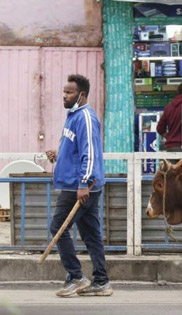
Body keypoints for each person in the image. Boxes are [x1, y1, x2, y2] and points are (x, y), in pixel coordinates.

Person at [45, 74, 112, 297]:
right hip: (82, 185)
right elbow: (74, 148)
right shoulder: (72, 115)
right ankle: (101, 282)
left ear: (81, 95)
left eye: (69, 92)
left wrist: (83, 183)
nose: (64, 96)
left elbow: (90, 153)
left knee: (58, 227)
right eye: (64, 92)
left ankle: (76, 277)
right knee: (91, 235)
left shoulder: (85, 117)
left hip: (79, 188)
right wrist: (58, 154)